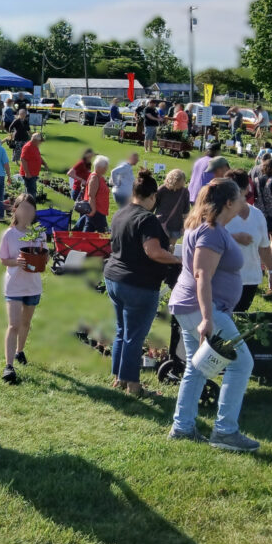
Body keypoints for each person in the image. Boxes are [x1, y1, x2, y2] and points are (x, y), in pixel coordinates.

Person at [167, 178, 259, 452]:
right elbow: (202, 275)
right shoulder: (210, 232)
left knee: (197, 368)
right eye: (242, 197)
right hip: (203, 308)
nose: (245, 201)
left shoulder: (211, 228)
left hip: (191, 306)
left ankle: (183, 428)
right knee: (241, 364)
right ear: (229, 203)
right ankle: (225, 431)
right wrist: (207, 318)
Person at [104, 169, 180, 397]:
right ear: (153, 196)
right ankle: (133, 386)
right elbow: (153, 251)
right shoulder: (147, 219)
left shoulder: (120, 213)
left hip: (114, 278)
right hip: (138, 284)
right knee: (134, 336)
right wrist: (177, 259)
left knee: (122, 331)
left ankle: (119, 378)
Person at [0, 194, 44, 384]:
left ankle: (20, 351)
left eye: (31, 209)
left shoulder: (39, 233)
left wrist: (42, 257)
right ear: (15, 210)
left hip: (33, 285)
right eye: (23, 208)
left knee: (25, 323)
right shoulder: (9, 234)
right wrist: (17, 262)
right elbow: (3, 260)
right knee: (14, 324)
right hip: (14, 285)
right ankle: (9, 366)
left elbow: (44, 259)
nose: (27, 212)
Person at [225, 170, 272, 312]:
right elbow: (208, 237)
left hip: (250, 279)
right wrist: (235, 237)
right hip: (225, 278)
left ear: (247, 189)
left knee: (239, 319)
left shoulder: (257, 214)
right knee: (222, 321)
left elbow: (264, 247)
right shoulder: (221, 213)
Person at [76, 155, 111, 233]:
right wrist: (93, 210)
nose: (106, 169)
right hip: (97, 211)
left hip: (99, 211)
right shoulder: (94, 178)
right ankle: (105, 245)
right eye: (105, 167)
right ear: (99, 167)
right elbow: (91, 195)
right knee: (104, 234)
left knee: (88, 230)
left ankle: (82, 243)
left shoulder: (99, 177)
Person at [154, 168, 191, 240]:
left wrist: (184, 226)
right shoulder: (184, 191)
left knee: (164, 247)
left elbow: (153, 205)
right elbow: (186, 211)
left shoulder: (162, 189)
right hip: (171, 224)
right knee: (169, 248)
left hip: (165, 223)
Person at [17, 133, 47, 199]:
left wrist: (44, 163)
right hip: (29, 174)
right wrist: (27, 173)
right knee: (31, 193)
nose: (41, 143)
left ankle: (27, 205)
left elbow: (38, 157)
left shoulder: (35, 147)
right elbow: (23, 159)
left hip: (33, 173)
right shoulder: (28, 147)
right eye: (40, 141)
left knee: (30, 191)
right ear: (35, 140)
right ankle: (30, 206)